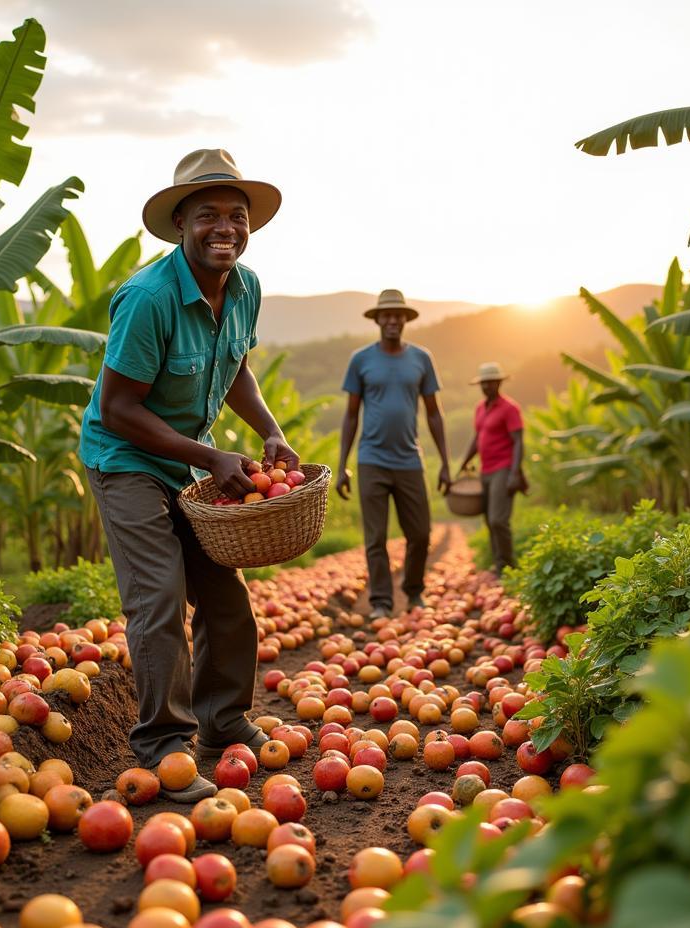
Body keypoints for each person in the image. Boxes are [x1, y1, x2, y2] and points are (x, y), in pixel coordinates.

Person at [79, 149, 298, 800]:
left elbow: (236, 368)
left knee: (226, 601)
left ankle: (222, 724)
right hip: (127, 458)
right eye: (208, 215)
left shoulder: (246, 287)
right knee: (159, 596)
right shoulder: (149, 299)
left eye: (237, 215)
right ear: (180, 222)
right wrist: (210, 457)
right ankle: (162, 750)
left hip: (188, 458)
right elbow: (118, 410)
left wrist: (270, 431)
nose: (225, 226)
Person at [336, 289, 450, 619]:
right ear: (377, 320)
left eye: (397, 316)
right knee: (376, 538)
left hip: (409, 460)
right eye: (385, 315)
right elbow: (351, 415)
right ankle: (381, 602)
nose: (391, 321)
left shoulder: (421, 358)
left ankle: (414, 592)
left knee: (420, 534)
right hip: (371, 460)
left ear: (405, 320)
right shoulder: (361, 360)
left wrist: (444, 462)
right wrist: (342, 465)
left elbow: (433, 413)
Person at [458, 362, 525, 572]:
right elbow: (477, 437)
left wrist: (514, 472)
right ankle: (499, 564)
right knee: (489, 519)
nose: (487, 386)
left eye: (491, 382)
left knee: (498, 520)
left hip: (503, 469)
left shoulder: (510, 408)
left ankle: (508, 566)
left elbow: (518, 442)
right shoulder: (480, 408)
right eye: (484, 383)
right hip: (485, 470)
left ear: (499, 383)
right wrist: (465, 461)